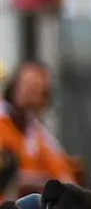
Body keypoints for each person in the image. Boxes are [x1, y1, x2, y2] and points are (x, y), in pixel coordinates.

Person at [0, 60, 80, 196]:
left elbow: (65, 179)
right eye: (27, 87)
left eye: (37, 90)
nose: (30, 94)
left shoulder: (40, 135)